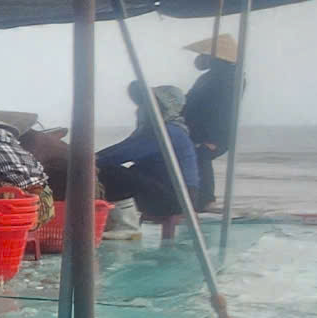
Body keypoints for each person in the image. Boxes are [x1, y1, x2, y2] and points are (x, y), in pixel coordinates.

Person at [96, 84, 196, 220]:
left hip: (176, 196)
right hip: (169, 190)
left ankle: (118, 221)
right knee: (107, 170)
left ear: (165, 108)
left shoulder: (166, 132)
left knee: (106, 173)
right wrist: (93, 157)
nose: (143, 109)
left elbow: (126, 153)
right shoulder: (158, 130)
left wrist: (91, 161)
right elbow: (123, 147)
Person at [182, 33, 242, 210]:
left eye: (205, 55)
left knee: (201, 157)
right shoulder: (210, 77)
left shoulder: (229, 78)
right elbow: (191, 101)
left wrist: (213, 138)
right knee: (192, 159)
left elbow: (223, 110)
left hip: (213, 134)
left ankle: (207, 201)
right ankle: (193, 201)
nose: (200, 58)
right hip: (198, 132)